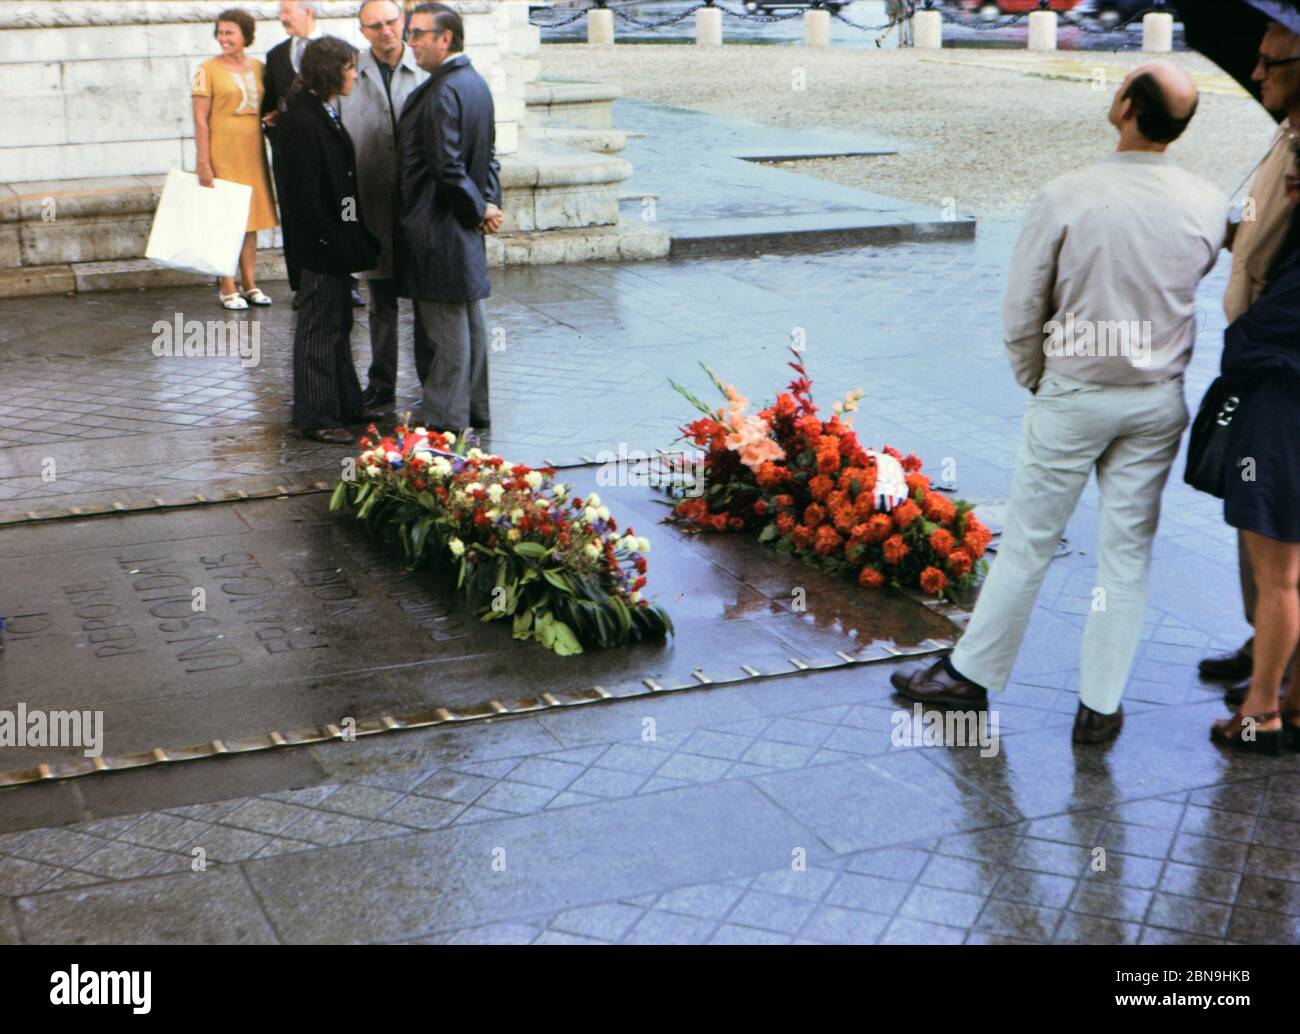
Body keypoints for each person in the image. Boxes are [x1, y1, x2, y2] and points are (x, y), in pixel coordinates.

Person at [889, 61, 1229, 745]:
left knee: (1031, 543)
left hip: (1077, 389)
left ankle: (971, 675)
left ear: (1128, 107)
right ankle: (1100, 705)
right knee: (1127, 555)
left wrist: (1034, 376)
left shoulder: (1070, 193)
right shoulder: (1207, 200)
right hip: (1158, 398)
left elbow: (1023, 305)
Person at [1199, 19, 1300, 702]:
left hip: (1280, 362)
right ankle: (1267, 642)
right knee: (1259, 518)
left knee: (1275, 522)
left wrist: (1248, 344)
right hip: (1266, 351)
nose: (1256, 73)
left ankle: (1275, 683)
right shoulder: (1286, 135)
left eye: (1270, 62)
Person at [1211, 133, 1300, 753]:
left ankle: (1260, 711)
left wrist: (1238, 344)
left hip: (1280, 404)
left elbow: (1273, 324)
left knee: (1279, 576)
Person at [395, 3, 503, 435]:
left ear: (445, 39)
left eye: (419, 34)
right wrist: (485, 207)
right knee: (468, 322)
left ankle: (444, 422)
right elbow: (488, 159)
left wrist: (479, 210)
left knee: (447, 331)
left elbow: (447, 167)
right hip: (461, 224)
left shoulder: (442, 90)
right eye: (412, 33)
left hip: (437, 228)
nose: (411, 42)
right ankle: (474, 410)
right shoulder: (474, 83)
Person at [277, 36, 382, 445]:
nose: (355, 74)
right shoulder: (302, 120)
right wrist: (333, 239)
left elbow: (344, 187)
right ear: (329, 70)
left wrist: (352, 232)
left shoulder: (322, 110)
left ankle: (345, 403)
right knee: (319, 330)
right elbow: (303, 196)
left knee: (337, 324)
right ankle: (317, 414)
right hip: (319, 248)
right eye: (349, 67)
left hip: (335, 243)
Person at [338, 0, 429, 411]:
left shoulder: (426, 65)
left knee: (427, 298)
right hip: (371, 203)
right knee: (381, 300)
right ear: (363, 30)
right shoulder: (349, 71)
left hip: (420, 206)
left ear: (403, 21)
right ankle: (382, 381)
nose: (385, 31)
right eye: (374, 26)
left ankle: (433, 380)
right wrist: (346, 215)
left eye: (391, 22)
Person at [191, 8, 278, 310]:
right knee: (225, 219)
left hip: (251, 150)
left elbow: (267, 103)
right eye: (221, 32)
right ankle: (226, 283)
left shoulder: (259, 67)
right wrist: (204, 162)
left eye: (230, 32)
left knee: (250, 219)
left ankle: (250, 282)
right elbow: (200, 120)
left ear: (245, 35)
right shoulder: (206, 70)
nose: (224, 38)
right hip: (221, 151)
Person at [261, 0, 324, 309]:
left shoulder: (337, 49)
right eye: (281, 11)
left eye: (288, 11)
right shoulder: (274, 56)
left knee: (345, 209)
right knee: (294, 216)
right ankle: (301, 284)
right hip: (290, 156)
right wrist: (278, 135)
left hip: (331, 155)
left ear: (308, 11)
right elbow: (268, 107)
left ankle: (347, 279)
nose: (282, 17)